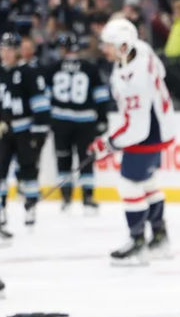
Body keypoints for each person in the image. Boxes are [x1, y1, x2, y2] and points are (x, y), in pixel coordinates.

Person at [89, 19, 176, 265]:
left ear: (124, 46)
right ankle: (159, 238)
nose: (104, 49)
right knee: (148, 182)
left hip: (147, 135)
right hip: (160, 129)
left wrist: (108, 143)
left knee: (129, 186)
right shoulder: (141, 50)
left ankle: (137, 242)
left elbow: (136, 128)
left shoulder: (133, 79)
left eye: (109, 45)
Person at [46, 32, 111, 212]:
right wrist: (102, 119)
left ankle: (66, 197)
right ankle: (87, 197)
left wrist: (47, 121)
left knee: (63, 158)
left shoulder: (53, 68)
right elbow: (101, 97)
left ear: (63, 49)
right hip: (85, 121)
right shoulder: (90, 68)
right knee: (86, 159)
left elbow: (45, 98)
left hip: (60, 121)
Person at [0, 32, 50, 227]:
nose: (6, 53)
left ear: (18, 50)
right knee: (0, 170)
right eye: (3, 49)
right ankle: (1, 209)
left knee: (28, 170)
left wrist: (38, 132)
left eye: (10, 49)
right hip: (4, 132)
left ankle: (30, 207)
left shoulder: (29, 72)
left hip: (25, 130)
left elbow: (40, 104)